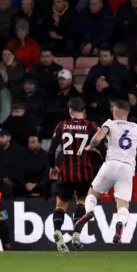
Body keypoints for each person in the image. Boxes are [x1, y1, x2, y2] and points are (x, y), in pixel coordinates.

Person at [73, 100, 137, 246]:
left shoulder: (110, 123)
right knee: (123, 204)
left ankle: (89, 212)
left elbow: (98, 138)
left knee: (92, 194)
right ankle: (120, 223)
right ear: (127, 113)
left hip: (111, 163)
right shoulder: (136, 128)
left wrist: (90, 147)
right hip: (128, 167)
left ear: (115, 111)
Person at [47, 98, 100, 252]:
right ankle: (77, 233)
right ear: (84, 112)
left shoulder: (61, 125)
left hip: (66, 173)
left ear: (70, 111)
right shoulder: (92, 126)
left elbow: (51, 150)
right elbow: (101, 149)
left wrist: (52, 167)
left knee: (61, 206)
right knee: (82, 202)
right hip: (85, 173)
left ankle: (57, 231)